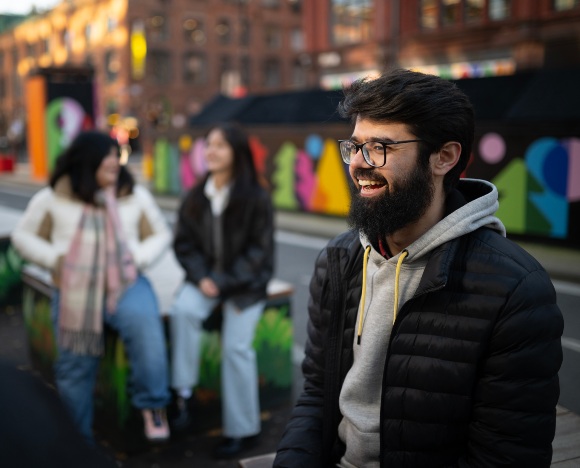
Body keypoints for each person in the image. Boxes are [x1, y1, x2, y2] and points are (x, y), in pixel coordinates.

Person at [274, 69, 564, 467]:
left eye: (379, 147)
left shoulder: (515, 289)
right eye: (355, 146)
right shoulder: (338, 260)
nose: (358, 164)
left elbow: (507, 455)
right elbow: (316, 396)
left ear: (444, 157)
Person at [11, 130, 172, 444]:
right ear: (86, 161)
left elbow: (160, 234)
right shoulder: (53, 197)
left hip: (127, 284)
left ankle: (153, 405)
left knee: (146, 331)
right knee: (75, 367)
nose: (115, 161)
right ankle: (76, 442)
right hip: (75, 292)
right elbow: (22, 237)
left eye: (117, 154)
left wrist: (138, 257)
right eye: (107, 155)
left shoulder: (132, 194)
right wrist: (57, 260)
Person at [169, 122, 274, 459]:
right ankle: (182, 394)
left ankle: (244, 431)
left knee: (236, 348)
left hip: (245, 286)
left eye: (220, 146)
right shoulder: (196, 196)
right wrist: (201, 278)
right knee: (183, 310)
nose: (210, 151)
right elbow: (183, 244)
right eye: (208, 144)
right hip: (206, 281)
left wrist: (224, 282)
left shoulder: (256, 197)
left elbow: (259, 253)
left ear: (236, 154)